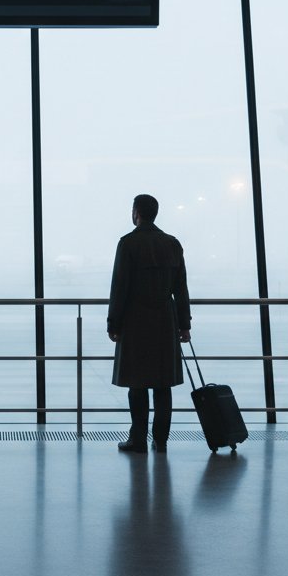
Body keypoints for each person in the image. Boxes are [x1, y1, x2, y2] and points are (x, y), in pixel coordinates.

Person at [107, 194, 191, 453]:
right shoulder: (172, 244)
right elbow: (181, 288)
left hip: (135, 321)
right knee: (163, 385)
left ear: (136, 213)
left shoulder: (128, 244)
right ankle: (161, 440)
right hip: (166, 320)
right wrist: (184, 324)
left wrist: (113, 323)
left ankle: (138, 438)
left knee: (137, 384)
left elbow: (119, 287)